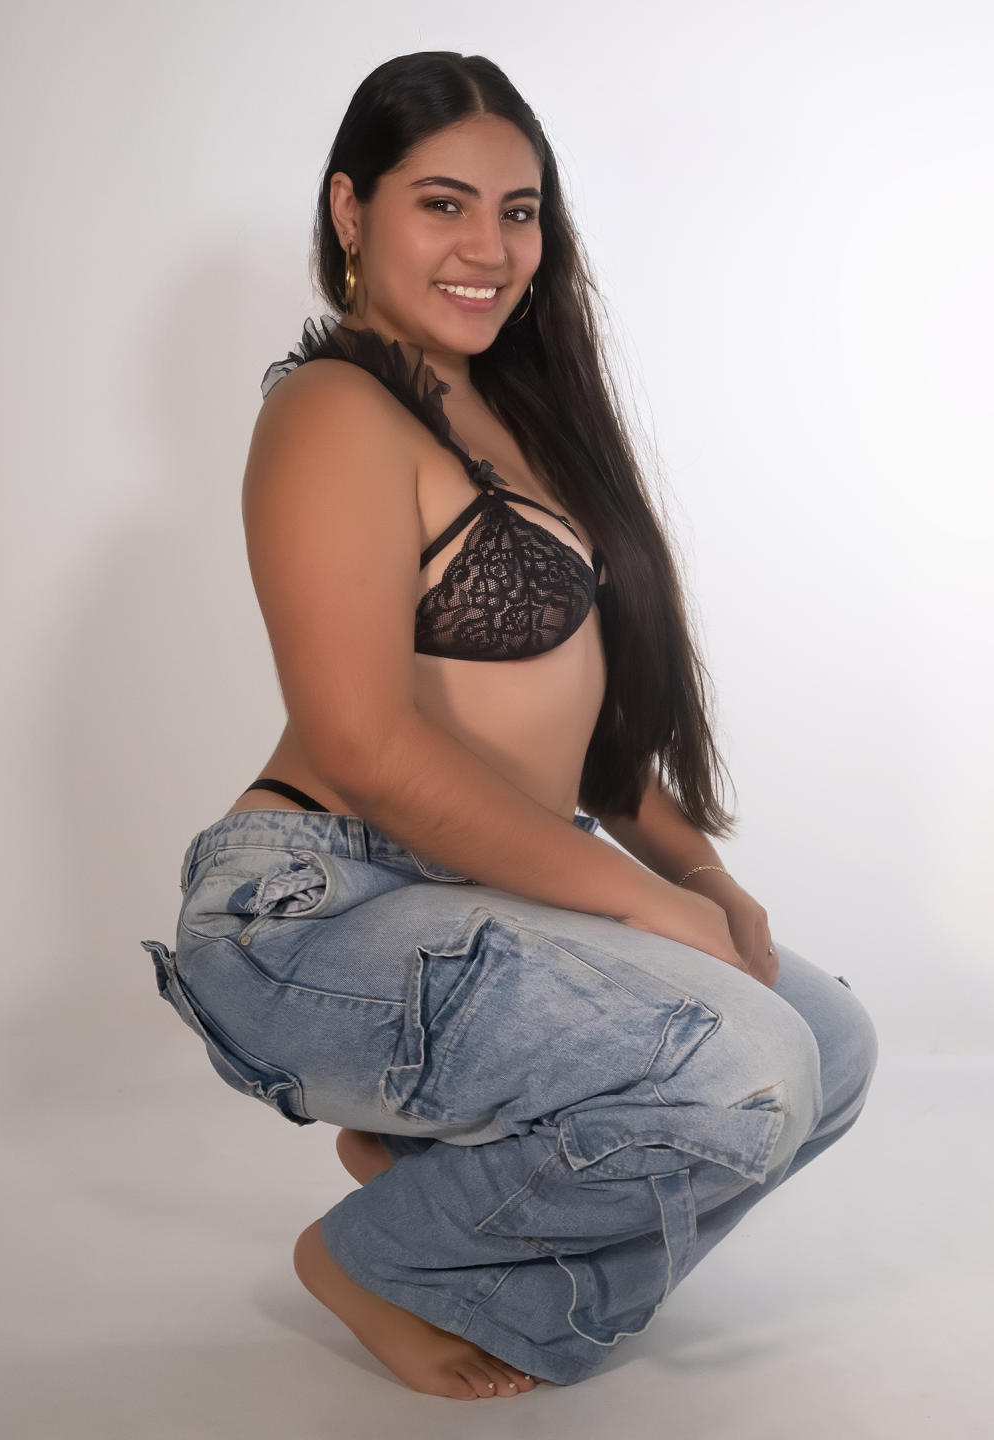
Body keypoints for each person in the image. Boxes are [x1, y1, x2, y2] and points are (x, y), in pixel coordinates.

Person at [140, 50, 878, 1401]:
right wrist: (647, 909)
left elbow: (586, 734)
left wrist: (700, 875)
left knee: (824, 1045)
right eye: (444, 204)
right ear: (350, 210)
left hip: (494, 893)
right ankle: (377, 1257)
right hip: (320, 907)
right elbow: (364, 746)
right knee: (746, 1065)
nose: (489, 249)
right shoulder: (332, 410)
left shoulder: (517, 408)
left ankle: (441, 1203)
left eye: (518, 211)